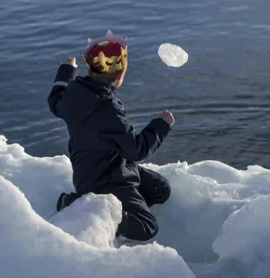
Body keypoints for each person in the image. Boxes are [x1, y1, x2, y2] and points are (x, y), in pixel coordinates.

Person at [47, 30, 175, 242]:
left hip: (110, 167)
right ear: (121, 74)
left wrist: (66, 70)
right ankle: (79, 205)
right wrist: (161, 125)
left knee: (160, 189)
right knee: (147, 227)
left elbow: (55, 101)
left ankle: (125, 208)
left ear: (90, 66)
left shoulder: (73, 93)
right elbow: (137, 150)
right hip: (105, 181)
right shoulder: (108, 110)